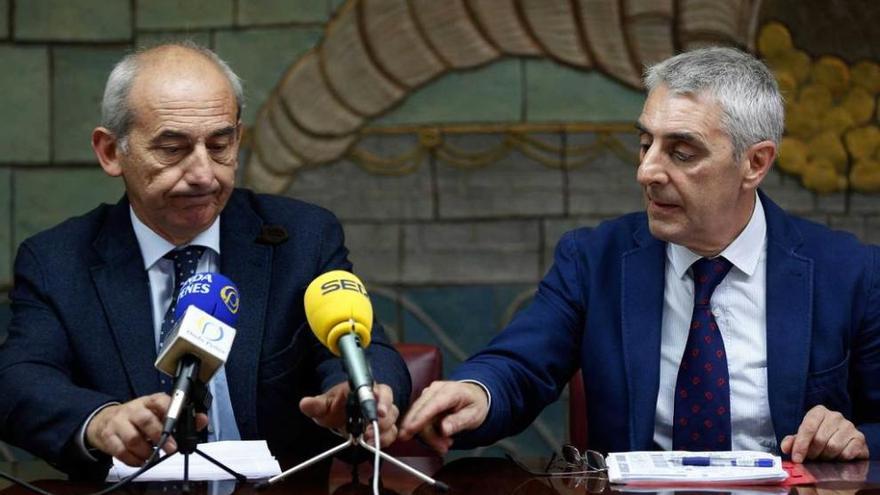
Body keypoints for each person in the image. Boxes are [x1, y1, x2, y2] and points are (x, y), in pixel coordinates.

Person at [400, 46, 879, 463]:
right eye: (646, 143)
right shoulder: (595, 260)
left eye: (681, 152)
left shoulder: (850, 274)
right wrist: (476, 392)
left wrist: (854, 437)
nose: (647, 171)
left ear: (755, 163)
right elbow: (521, 367)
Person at [0, 42, 410, 479]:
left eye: (220, 145)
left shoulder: (301, 238)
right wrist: (100, 421)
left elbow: (364, 348)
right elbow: (19, 380)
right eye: (173, 148)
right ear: (111, 152)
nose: (203, 174)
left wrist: (356, 392)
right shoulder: (58, 261)